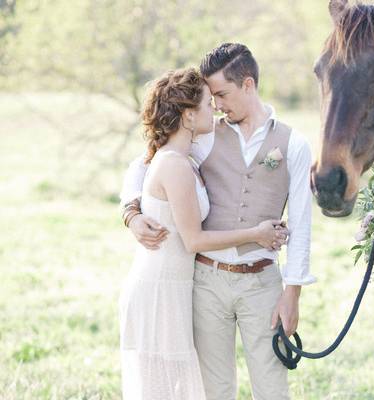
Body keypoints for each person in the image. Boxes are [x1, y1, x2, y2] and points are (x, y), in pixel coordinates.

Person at [120, 43, 316, 400]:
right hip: (207, 281)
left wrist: (292, 293)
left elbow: (302, 225)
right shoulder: (205, 136)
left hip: (262, 283)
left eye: (222, 94)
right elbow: (147, 164)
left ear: (248, 84)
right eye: (211, 98)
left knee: (272, 387)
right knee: (214, 389)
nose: (217, 105)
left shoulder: (294, 144)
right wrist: (131, 214)